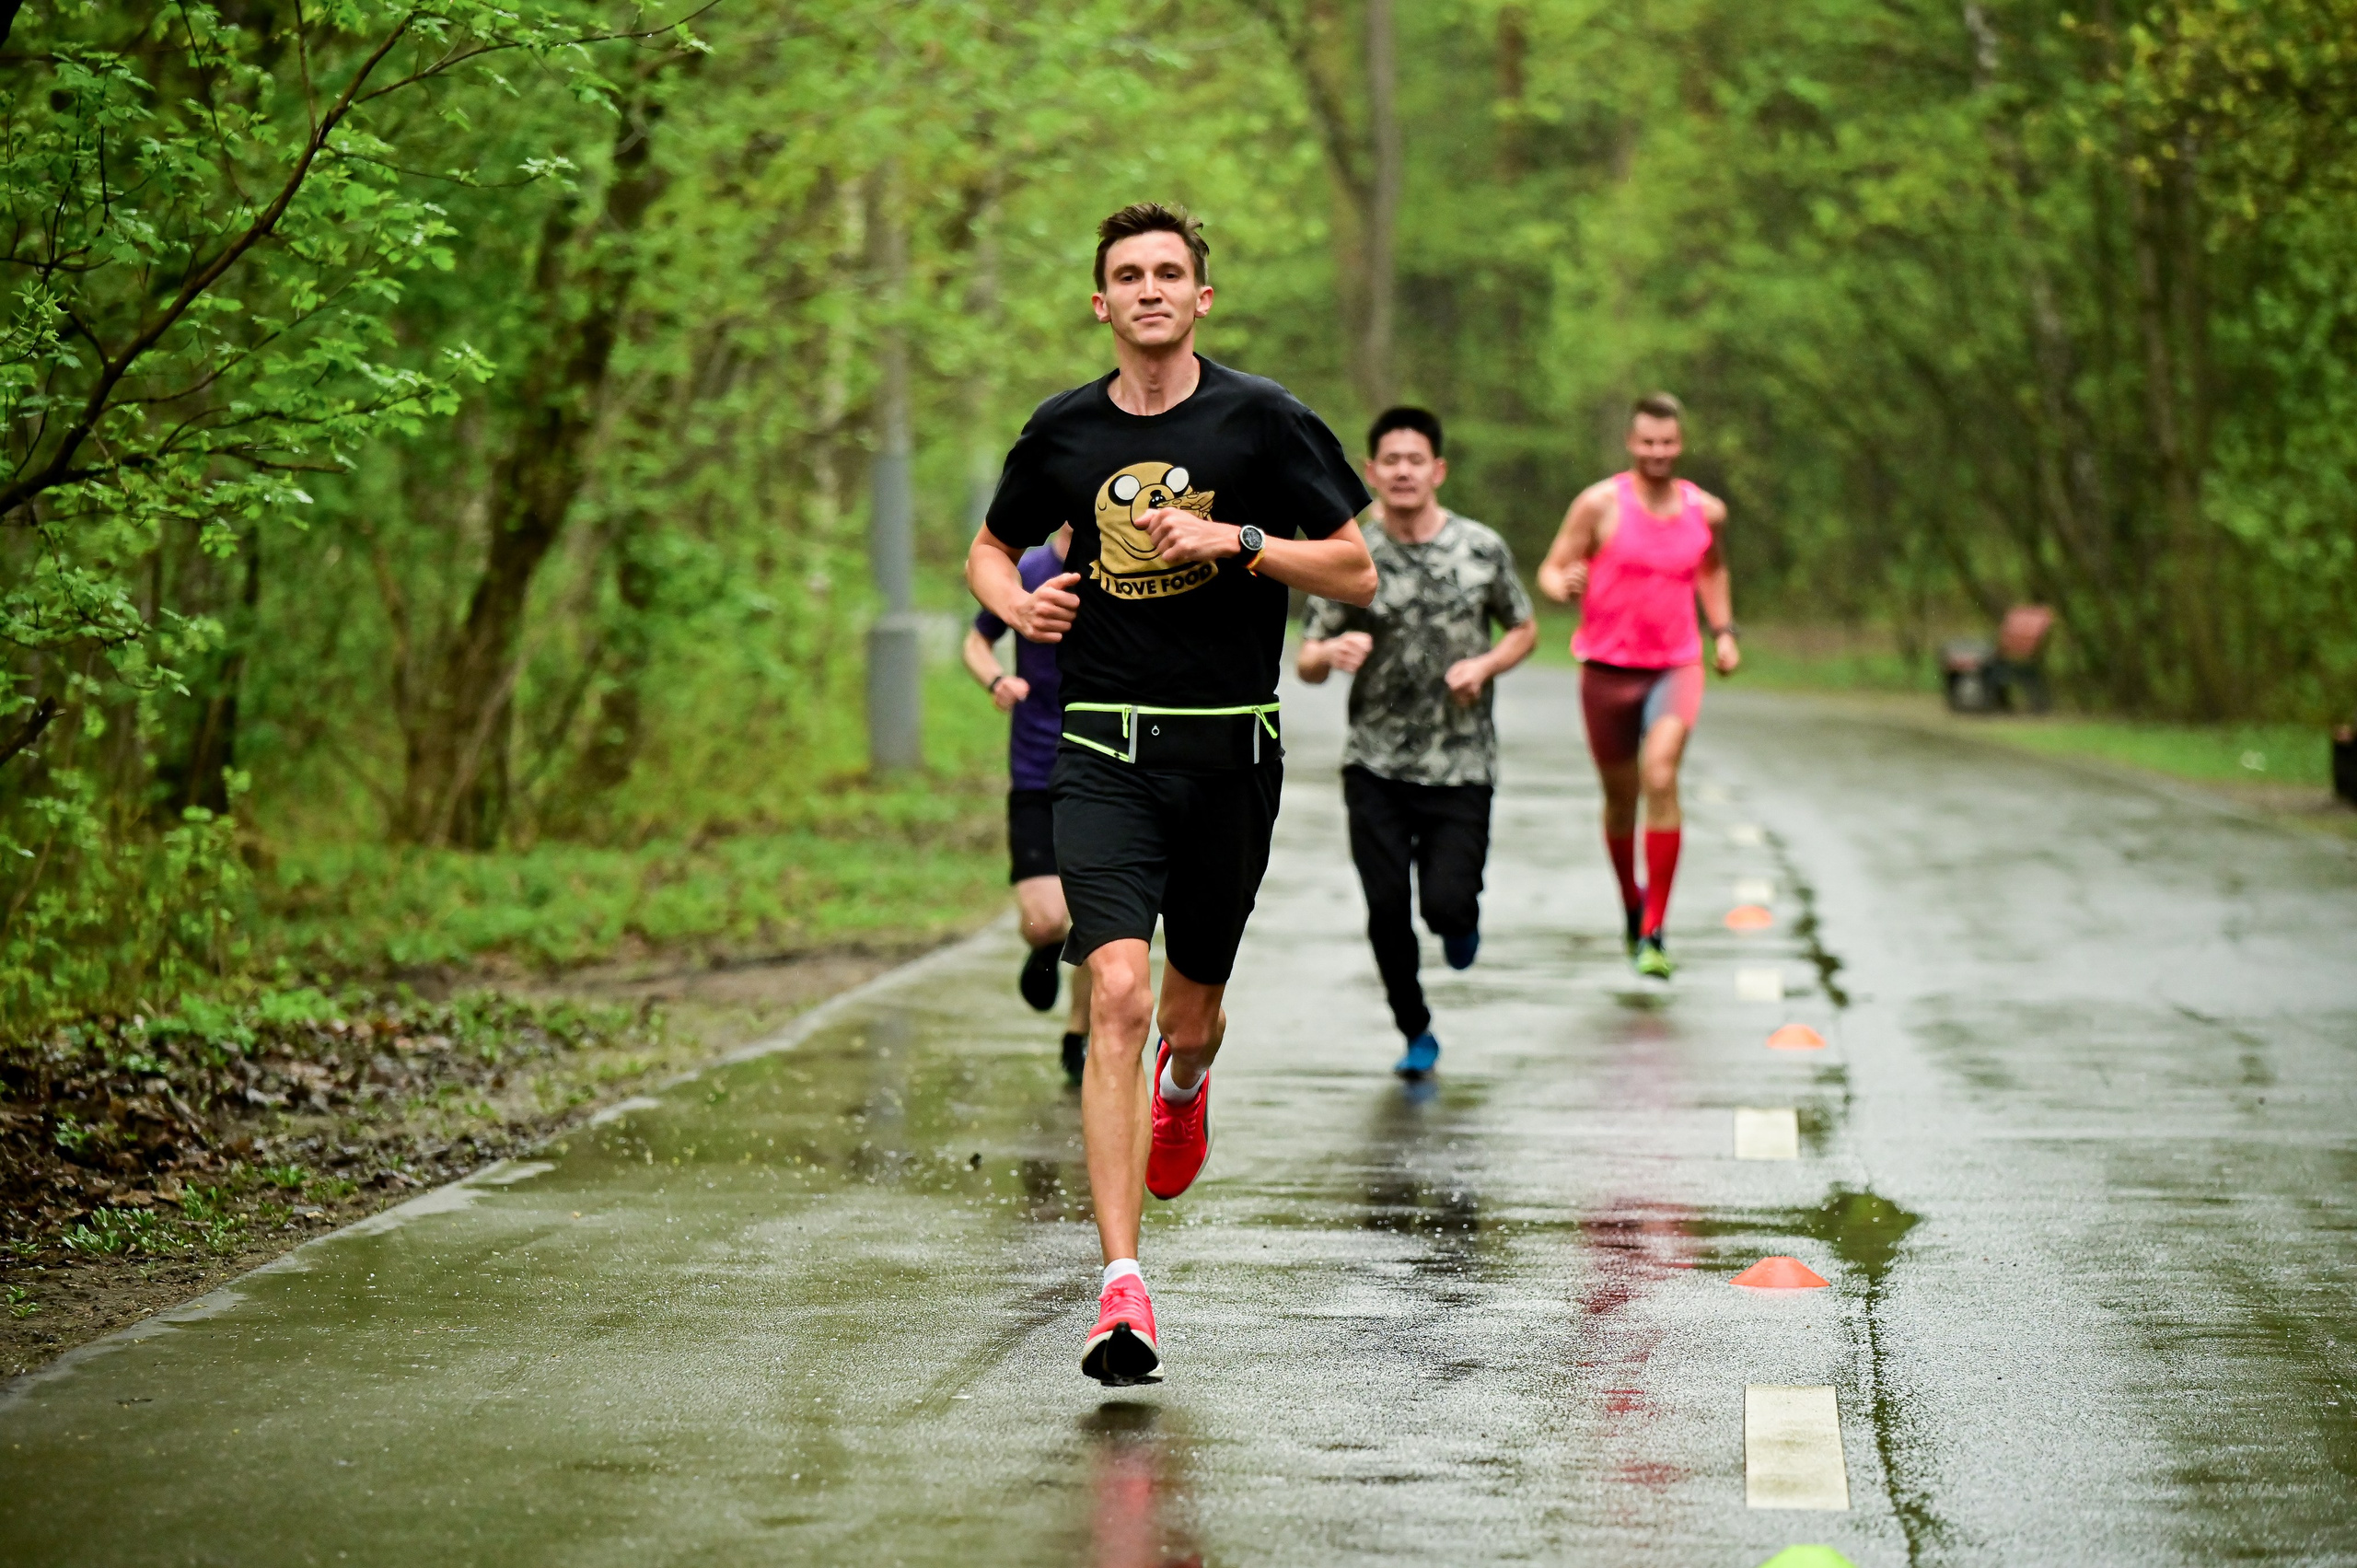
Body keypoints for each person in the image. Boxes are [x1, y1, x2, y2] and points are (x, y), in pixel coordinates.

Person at [966, 201, 1376, 1386]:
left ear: (1203, 296)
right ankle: (1120, 1290)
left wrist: (1235, 541)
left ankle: (1186, 1084)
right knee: (1116, 990)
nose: (1148, 290)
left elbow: (1355, 566)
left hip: (1230, 756)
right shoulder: (1061, 431)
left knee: (1187, 1013)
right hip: (1100, 749)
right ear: (1100, 302)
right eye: (1127, 276)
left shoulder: (1264, 418)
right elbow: (989, 550)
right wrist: (1014, 605)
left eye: (1169, 274)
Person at [1298, 407, 1536, 1079]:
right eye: (1389, 461)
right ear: (1371, 472)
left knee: (1446, 904)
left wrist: (1485, 665)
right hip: (1374, 762)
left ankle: (1460, 923)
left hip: (1462, 761)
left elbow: (1523, 627)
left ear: (1438, 469)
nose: (1403, 471)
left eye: (1415, 459)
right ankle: (1415, 1028)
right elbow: (1307, 658)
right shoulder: (1349, 552)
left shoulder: (1481, 547)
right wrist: (1330, 651)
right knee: (1385, 910)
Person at [1537, 391, 1739, 981]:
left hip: (1676, 665)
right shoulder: (1598, 504)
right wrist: (1563, 583)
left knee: (1661, 774)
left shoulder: (1707, 510)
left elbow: (1713, 567)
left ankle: (1655, 925)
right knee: (1621, 799)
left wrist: (1723, 631)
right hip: (1605, 670)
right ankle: (1630, 904)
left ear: (1680, 444)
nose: (1658, 452)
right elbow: (1552, 569)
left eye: (1668, 442)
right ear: (1632, 443)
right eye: (1647, 442)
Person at [963, 522, 1092, 1084]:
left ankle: (1079, 1033)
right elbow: (976, 640)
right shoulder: (1026, 568)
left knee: (1098, 915)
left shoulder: (1127, 567)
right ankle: (1045, 948)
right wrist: (997, 681)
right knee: (1046, 922)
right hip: (1037, 767)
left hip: (1103, 765)